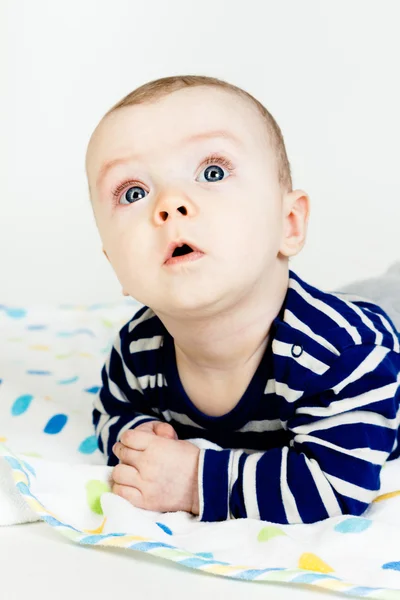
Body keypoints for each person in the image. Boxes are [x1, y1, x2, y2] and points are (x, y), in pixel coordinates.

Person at [84, 74, 400, 524]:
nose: (170, 204)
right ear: (115, 263)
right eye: (133, 192)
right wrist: (136, 437)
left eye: (212, 172)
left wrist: (194, 479)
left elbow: (336, 489)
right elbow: (113, 409)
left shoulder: (342, 359)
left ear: (288, 223)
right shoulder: (138, 350)